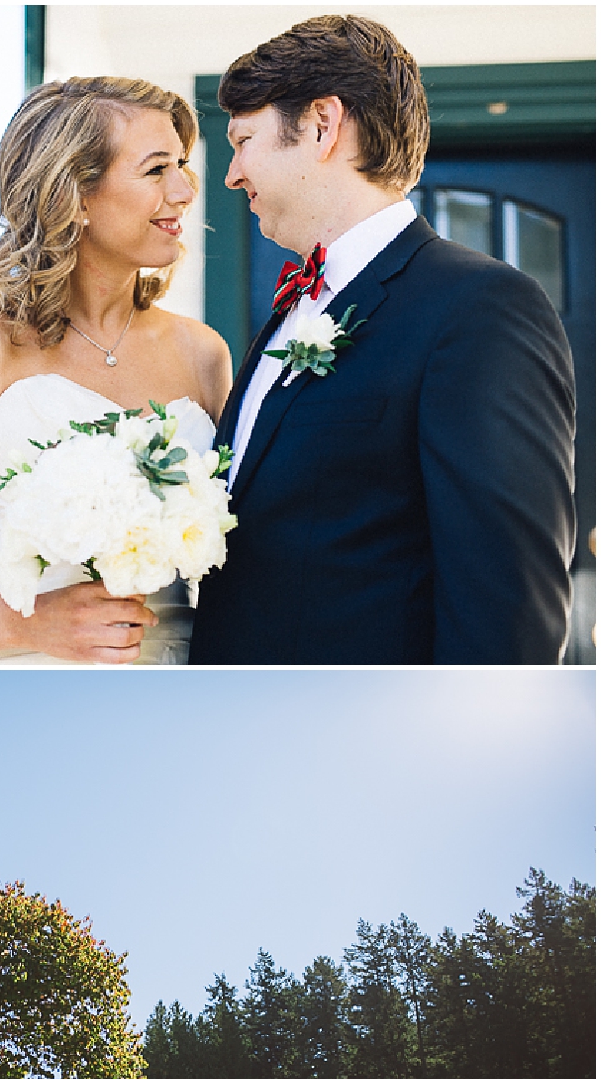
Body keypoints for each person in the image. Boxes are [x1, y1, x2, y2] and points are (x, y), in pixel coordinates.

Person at [189, 14, 577, 665]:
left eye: (244, 140)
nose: (231, 174)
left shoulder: (479, 310)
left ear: (321, 125)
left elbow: (506, 614)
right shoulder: (288, 315)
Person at [0, 77, 231, 665]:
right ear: (75, 195)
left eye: (182, 165)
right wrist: (24, 624)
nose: (186, 189)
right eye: (157, 170)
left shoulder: (203, 355)